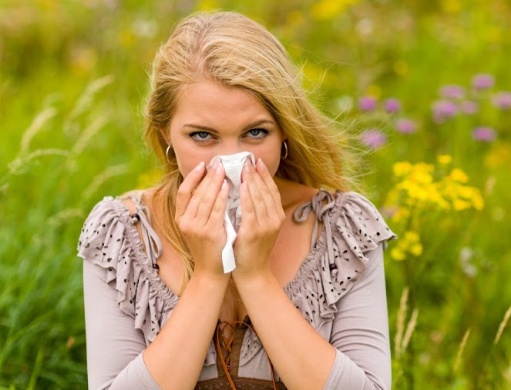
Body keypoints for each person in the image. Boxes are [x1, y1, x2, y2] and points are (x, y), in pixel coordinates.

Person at [78, 11, 394, 390]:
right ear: (167, 136)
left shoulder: (342, 229)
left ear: (285, 133)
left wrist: (255, 276)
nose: (231, 163)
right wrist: (210, 277)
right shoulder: (122, 235)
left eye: (255, 132)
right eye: (202, 136)